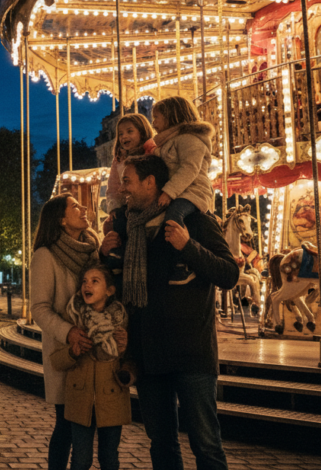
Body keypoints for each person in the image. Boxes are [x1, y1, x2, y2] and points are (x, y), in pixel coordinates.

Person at [100, 155, 239, 470]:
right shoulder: (131, 231)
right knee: (161, 442)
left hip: (192, 352)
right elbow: (117, 288)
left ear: (150, 183)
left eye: (127, 181)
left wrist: (188, 245)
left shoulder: (195, 221)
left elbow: (229, 274)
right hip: (149, 353)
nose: (122, 190)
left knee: (205, 443)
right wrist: (105, 253)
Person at [29, 193, 100, 470]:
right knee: (68, 424)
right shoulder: (45, 255)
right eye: (75, 206)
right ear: (60, 219)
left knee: (87, 425)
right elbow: (40, 308)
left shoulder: (92, 249)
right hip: (65, 350)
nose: (83, 209)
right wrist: (68, 331)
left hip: (93, 349)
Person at [49, 261, 133, 470]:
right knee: (81, 460)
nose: (88, 285)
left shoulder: (121, 321)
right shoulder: (73, 319)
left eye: (95, 281)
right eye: (85, 281)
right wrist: (72, 352)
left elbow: (132, 363)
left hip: (112, 399)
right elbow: (56, 360)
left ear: (109, 290)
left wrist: (125, 361)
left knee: (109, 458)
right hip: (80, 400)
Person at [142, 96, 215, 229]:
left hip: (193, 192)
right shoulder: (170, 141)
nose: (153, 123)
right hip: (178, 192)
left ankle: (180, 246)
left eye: (156, 117)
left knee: (173, 216)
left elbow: (189, 168)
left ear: (171, 117)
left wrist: (169, 192)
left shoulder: (190, 139)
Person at [105, 113, 155, 216]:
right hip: (126, 204)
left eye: (130, 131)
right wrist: (113, 206)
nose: (124, 136)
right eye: (121, 134)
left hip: (148, 202)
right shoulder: (119, 159)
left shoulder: (151, 153)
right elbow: (113, 186)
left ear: (142, 132)